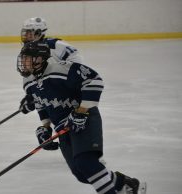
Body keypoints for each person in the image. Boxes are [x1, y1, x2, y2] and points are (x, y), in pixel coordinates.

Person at [16, 41, 146, 194]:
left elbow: (94, 80)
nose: (23, 62)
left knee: (87, 164)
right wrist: (45, 127)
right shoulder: (29, 80)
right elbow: (41, 102)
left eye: (28, 58)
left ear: (40, 59)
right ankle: (126, 184)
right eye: (23, 58)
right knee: (81, 173)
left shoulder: (61, 69)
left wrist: (81, 111)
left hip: (84, 119)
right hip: (63, 128)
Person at [19, 17, 83, 114]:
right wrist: (31, 95)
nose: (26, 35)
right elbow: (31, 72)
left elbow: (76, 60)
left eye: (29, 32)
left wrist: (68, 80)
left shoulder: (54, 45)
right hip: (51, 94)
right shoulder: (28, 50)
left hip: (68, 94)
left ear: (38, 33)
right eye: (25, 32)